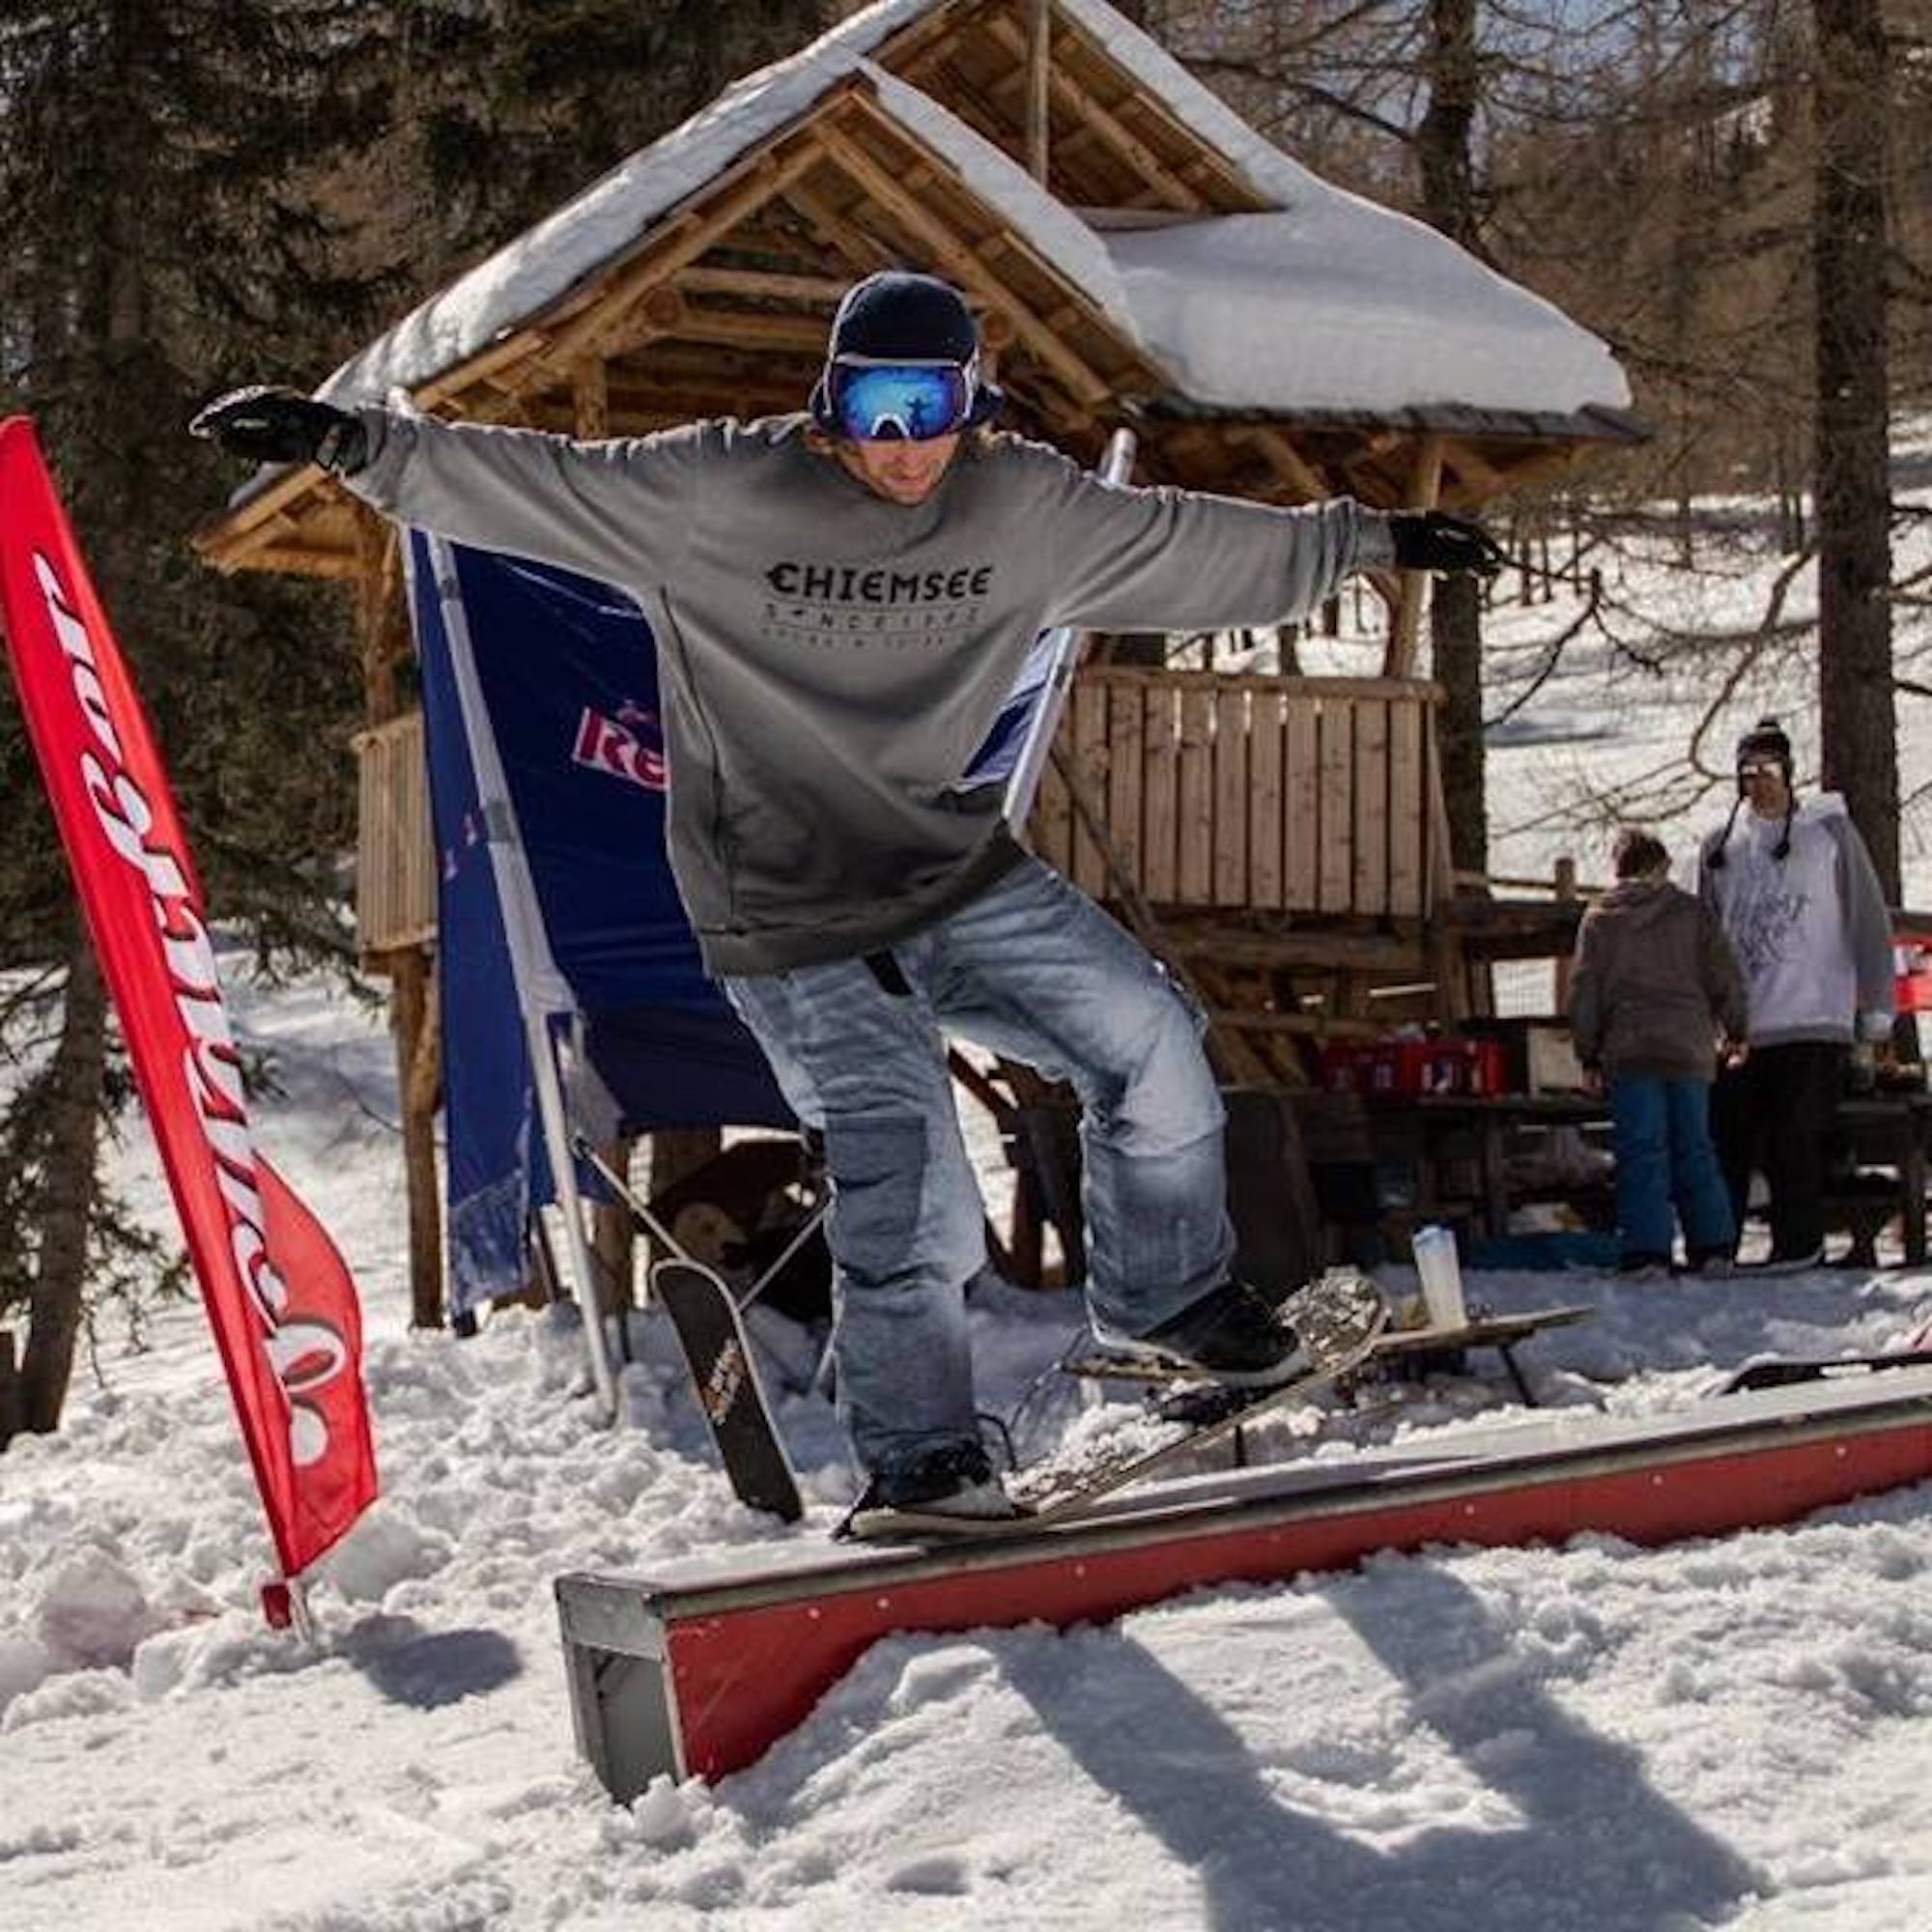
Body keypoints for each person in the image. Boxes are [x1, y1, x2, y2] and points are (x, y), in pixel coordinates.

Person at [192, 270, 1505, 1530]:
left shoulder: (1021, 510)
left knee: (1148, 1039)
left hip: (945, 865)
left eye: (926, 409)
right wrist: (351, 443)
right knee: (905, 1144)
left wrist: (1371, 541)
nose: (899, 445)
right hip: (780, 900)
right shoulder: (719, 490)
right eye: (871, 408)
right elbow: (538, 486)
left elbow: (1189, 545)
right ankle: (920, 1452)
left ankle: (1169, 1300)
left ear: (970, 404)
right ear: (827, 401)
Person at [1696, 717, 1895, 1273]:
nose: (1757, 782)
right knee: (1727, 1137)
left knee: (1793, 1134)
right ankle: (1718, 1245)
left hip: (1812, 1014)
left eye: (1767, 770)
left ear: (1788, 773)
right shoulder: (1719, 847)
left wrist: (1877, 1001)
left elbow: (1867, 917)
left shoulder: (1826, 834)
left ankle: (1798, 1242)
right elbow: (1706, 935)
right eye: (1747, 772)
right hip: (1742, 1024)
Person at [1567, 827, 1746, 1280]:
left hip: (1630, 1050)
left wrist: (1587, 1053)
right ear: (1662, 866)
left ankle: (1647, 1249)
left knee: (1641, 1150)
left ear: (1618, 869)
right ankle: (1714, 1245)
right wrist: (1736, 1030)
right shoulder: (1691, 913)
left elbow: (1584, 991)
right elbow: (1724, 975)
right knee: (1696, 1147)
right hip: (1688, 1047)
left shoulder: (1601, 918)